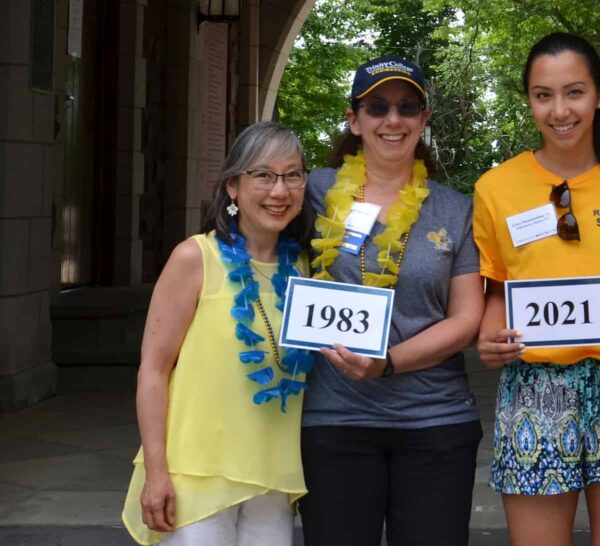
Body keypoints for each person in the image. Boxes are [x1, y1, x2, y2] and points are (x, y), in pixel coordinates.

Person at [474, 33, 600, 546]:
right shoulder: (497, 187)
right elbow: (496, 286)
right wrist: (491, 336)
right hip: (535, 388)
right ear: (529, 101)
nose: (559, 110)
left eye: (574, 92)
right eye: (544, 95)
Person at [299, 56, 484, 546]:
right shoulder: (312, 192)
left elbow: (466, 320)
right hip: (335, 419)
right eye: (377, 106)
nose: (393, 120)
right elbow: (250, 228)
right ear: (354, 118)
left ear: (423, 119)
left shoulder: (455, 208)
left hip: (436, 421)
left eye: (407, 107)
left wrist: (388, 363)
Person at [123, 122, 316, 545]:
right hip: (197, 474)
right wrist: (157, 471)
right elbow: (153, 370)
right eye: (262, 175)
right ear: (232, 186)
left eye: (292, 175)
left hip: (272, 477)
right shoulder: (196, 257)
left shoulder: (307, 269)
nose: (278, 191)